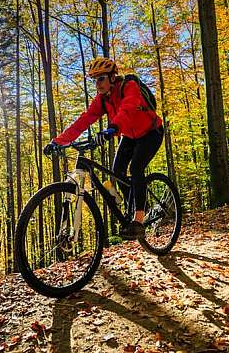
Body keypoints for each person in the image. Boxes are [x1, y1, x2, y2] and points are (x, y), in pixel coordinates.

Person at [43, 57, 164, 240]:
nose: (97, 83)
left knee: (136, 167)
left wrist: (112, 128)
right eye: (94, 80)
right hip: (130, 136)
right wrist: (58, 141)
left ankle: (139, 219)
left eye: (101, 78)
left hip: (151, 132)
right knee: (117, 172)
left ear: (112, 77)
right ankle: (135, 205)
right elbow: (84, 120)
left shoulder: (128, 86)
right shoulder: (101, 100)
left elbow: (128, 107)